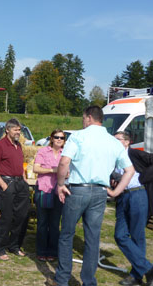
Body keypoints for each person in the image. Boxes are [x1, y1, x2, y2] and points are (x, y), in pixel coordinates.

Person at [49, 106, 134, 286]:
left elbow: (64, 162)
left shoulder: (79, 136)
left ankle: (62, 279)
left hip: (78, 189)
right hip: (100, 192)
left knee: (66, 235)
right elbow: (130, 170)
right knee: (92, 238)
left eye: (83, 118)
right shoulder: (113, 142)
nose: (82, 121)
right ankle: (89, 281)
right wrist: (115, 192)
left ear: (88, 118)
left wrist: (60, 184)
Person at [108, 131, 153, 286]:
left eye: (117, 140)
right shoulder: (113, 157)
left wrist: (142, 178)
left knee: (137, 236)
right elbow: (113, 175)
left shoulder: (135, 154)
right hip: (122, 197)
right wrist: (113, 180)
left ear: (127, 142)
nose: (114, 142)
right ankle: (148, 269)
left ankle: (136, 276)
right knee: (120, 235)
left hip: (137, 195)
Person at [0, 118, 30, 261]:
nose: (18, 132)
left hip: (20, 183)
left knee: (22, 216)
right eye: (15, 130)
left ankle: (15, 246)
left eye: (19, 130)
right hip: (7, 183)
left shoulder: (18, 145)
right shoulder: (0, 145)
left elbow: (21, 164)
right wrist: (3, 185)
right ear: (7, 130)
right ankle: (0, 249)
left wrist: (24, 179)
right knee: (6, 218)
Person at [33, 129, 65, 262]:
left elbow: (68, 171)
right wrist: (53, 170)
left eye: (62, 138)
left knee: (54, 223)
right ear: (51, 138)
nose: (59, 139)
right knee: (42, 222)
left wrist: (64, 173)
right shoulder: (43, 151)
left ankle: (52, 251)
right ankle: (41, 251)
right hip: (43, 189)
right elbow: (36, 168)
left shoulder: (66, 154)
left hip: (58, 191)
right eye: (56, 137)